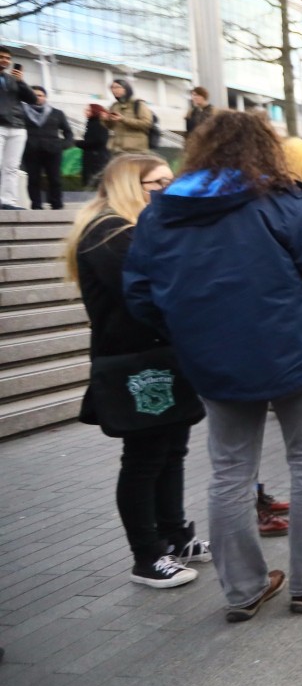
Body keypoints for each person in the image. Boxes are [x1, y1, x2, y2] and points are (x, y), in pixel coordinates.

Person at [124, 110, 302, 622]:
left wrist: (189, 331)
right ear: (265, 149)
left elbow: (141, 294)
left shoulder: (163, 213)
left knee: (230, 472)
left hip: (215, 362)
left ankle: (243, 589)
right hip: (298, 352)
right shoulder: (286, 202)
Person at [67, 152, 209, 588]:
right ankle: (146, 556)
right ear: (133, 186)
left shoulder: (139, 229)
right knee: (145, 458)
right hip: (136, 364)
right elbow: (153, 292)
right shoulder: (109, 232)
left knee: (172, 451)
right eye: (159, 184)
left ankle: (175, 535)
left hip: (162, 356)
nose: (169, 190)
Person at [22, 86, 73, 210]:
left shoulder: (57, 113)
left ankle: (56, 204)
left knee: (55, 179)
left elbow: (68, 132)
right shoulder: (22, 112)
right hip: (31, 151)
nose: (37, 97)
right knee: (33, 179)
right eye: (34, 95)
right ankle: (36, 205)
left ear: (45, 97)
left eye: (40, 95)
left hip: (53, 151)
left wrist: (62, 145)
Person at [0, 49, 33, 209]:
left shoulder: (13, 79)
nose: (5, 60)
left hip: (17, 127)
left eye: (7, 58)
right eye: (1, 57)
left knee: (12, 167)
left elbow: (33, 99)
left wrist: (21, 82)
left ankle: (8, 201)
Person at [103, 79, 155, 154]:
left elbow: (147, 124)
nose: (114, 90)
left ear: (126, 88)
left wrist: (123, 119)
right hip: (117, 149)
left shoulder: (138, 104)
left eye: (117, 87)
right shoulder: (115, 106)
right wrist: (106, 119)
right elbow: (111, 127)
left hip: (135, 150)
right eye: (112, 88)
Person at [80, 103, 112, 186]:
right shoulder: (92, 123)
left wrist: (80, 144)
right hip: (94, 157)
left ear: (95, 111)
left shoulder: (98, 124)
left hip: (96, 158)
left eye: (88, 110)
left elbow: (99, 140)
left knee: (95, 183)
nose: (85, 112)